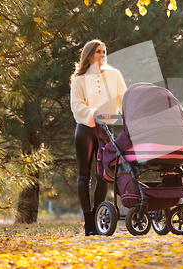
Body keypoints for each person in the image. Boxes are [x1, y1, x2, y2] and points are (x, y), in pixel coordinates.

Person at [70, 39, 127, 236]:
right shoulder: (79, 80)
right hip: (85, 129)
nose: (103, 55)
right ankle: (88, 222)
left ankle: (97, 217)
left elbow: (124, 100)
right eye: (98, 52)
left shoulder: (115, 75)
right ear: (89, 55)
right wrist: (94, 113)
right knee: (84, 175)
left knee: (104, 175)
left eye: (104, 51)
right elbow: (76, 105)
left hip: (106, 130)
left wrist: (129, 115)